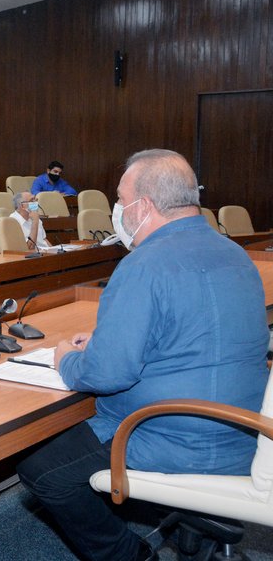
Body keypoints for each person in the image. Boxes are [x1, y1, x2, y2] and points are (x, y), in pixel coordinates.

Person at [16, 149, 269, 561]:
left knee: (43, 471)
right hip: (245, 432)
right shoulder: (236, 256)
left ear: (144, 206)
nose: (117, 210)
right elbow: (192, 332)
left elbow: (104, 374)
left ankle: (133, 556)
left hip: (171, 435)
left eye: (120, 199)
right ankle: (190, 524)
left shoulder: (144, 264)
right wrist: (107, 338)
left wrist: (65, 357)